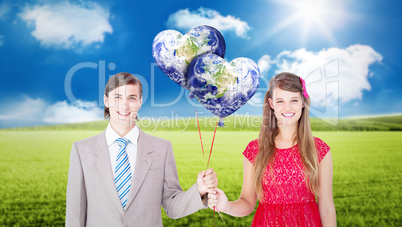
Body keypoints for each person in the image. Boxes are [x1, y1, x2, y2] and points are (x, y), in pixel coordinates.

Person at [66, 72, 218, 226]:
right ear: (106, 101)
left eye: (131, 98)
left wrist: (199, 190)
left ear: (139, 102)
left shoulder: (162, 149)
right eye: (117, 97)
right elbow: (75, 214)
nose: (124, 105)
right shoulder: (82, 150)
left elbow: (172, 207)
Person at [207, 72, 336, 226]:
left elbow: (327, 208)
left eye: (294, 100)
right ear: (271, 104)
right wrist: (226, 205)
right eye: (280, 101)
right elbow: (247, 203)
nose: (287, 107)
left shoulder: (319, 150)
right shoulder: (255, 150)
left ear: (303, 102)